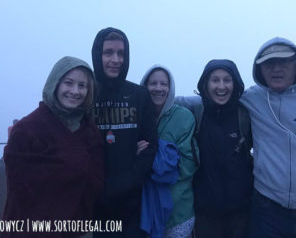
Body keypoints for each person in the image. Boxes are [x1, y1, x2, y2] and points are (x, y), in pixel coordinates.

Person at [2, 56, 104, 238]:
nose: (75, 91)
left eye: (82, 85)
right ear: (55, 83)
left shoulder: (90, 130)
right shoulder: (27, 129)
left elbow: (95, 180)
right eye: (69, 83)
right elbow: (20, 190)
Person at [91, 27, 157, 238]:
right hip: (91, 203)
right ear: (97, 55)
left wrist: (127, 181)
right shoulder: (86, 92)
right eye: (108, 52)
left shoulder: (138, 95)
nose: (116, 59)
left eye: (121, 53)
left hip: (131, 205)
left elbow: (150, 145)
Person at [176, 59, 253, 238]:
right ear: (205, 84)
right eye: (215, 80)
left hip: (241, 212)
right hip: (205, 212)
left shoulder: (245, 115)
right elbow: (167, 99)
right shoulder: (196, 111)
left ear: (235, 84)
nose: (221, 86)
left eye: (227, 80)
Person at [240, 37, 296, 238]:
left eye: (284, 62)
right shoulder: (253, 98)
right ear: (260, 68)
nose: (276, 68)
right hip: (267, 208)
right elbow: (210, 99)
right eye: (269, 63)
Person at [140, 65, 198, 238]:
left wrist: (150, 155)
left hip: (178, 210)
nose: (158, 88)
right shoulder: (136, 116)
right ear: (144, 86)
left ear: (170, 87)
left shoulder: (184, 117)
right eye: (153, 83)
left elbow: (188, 164)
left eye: (163, 84)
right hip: (142, 209)